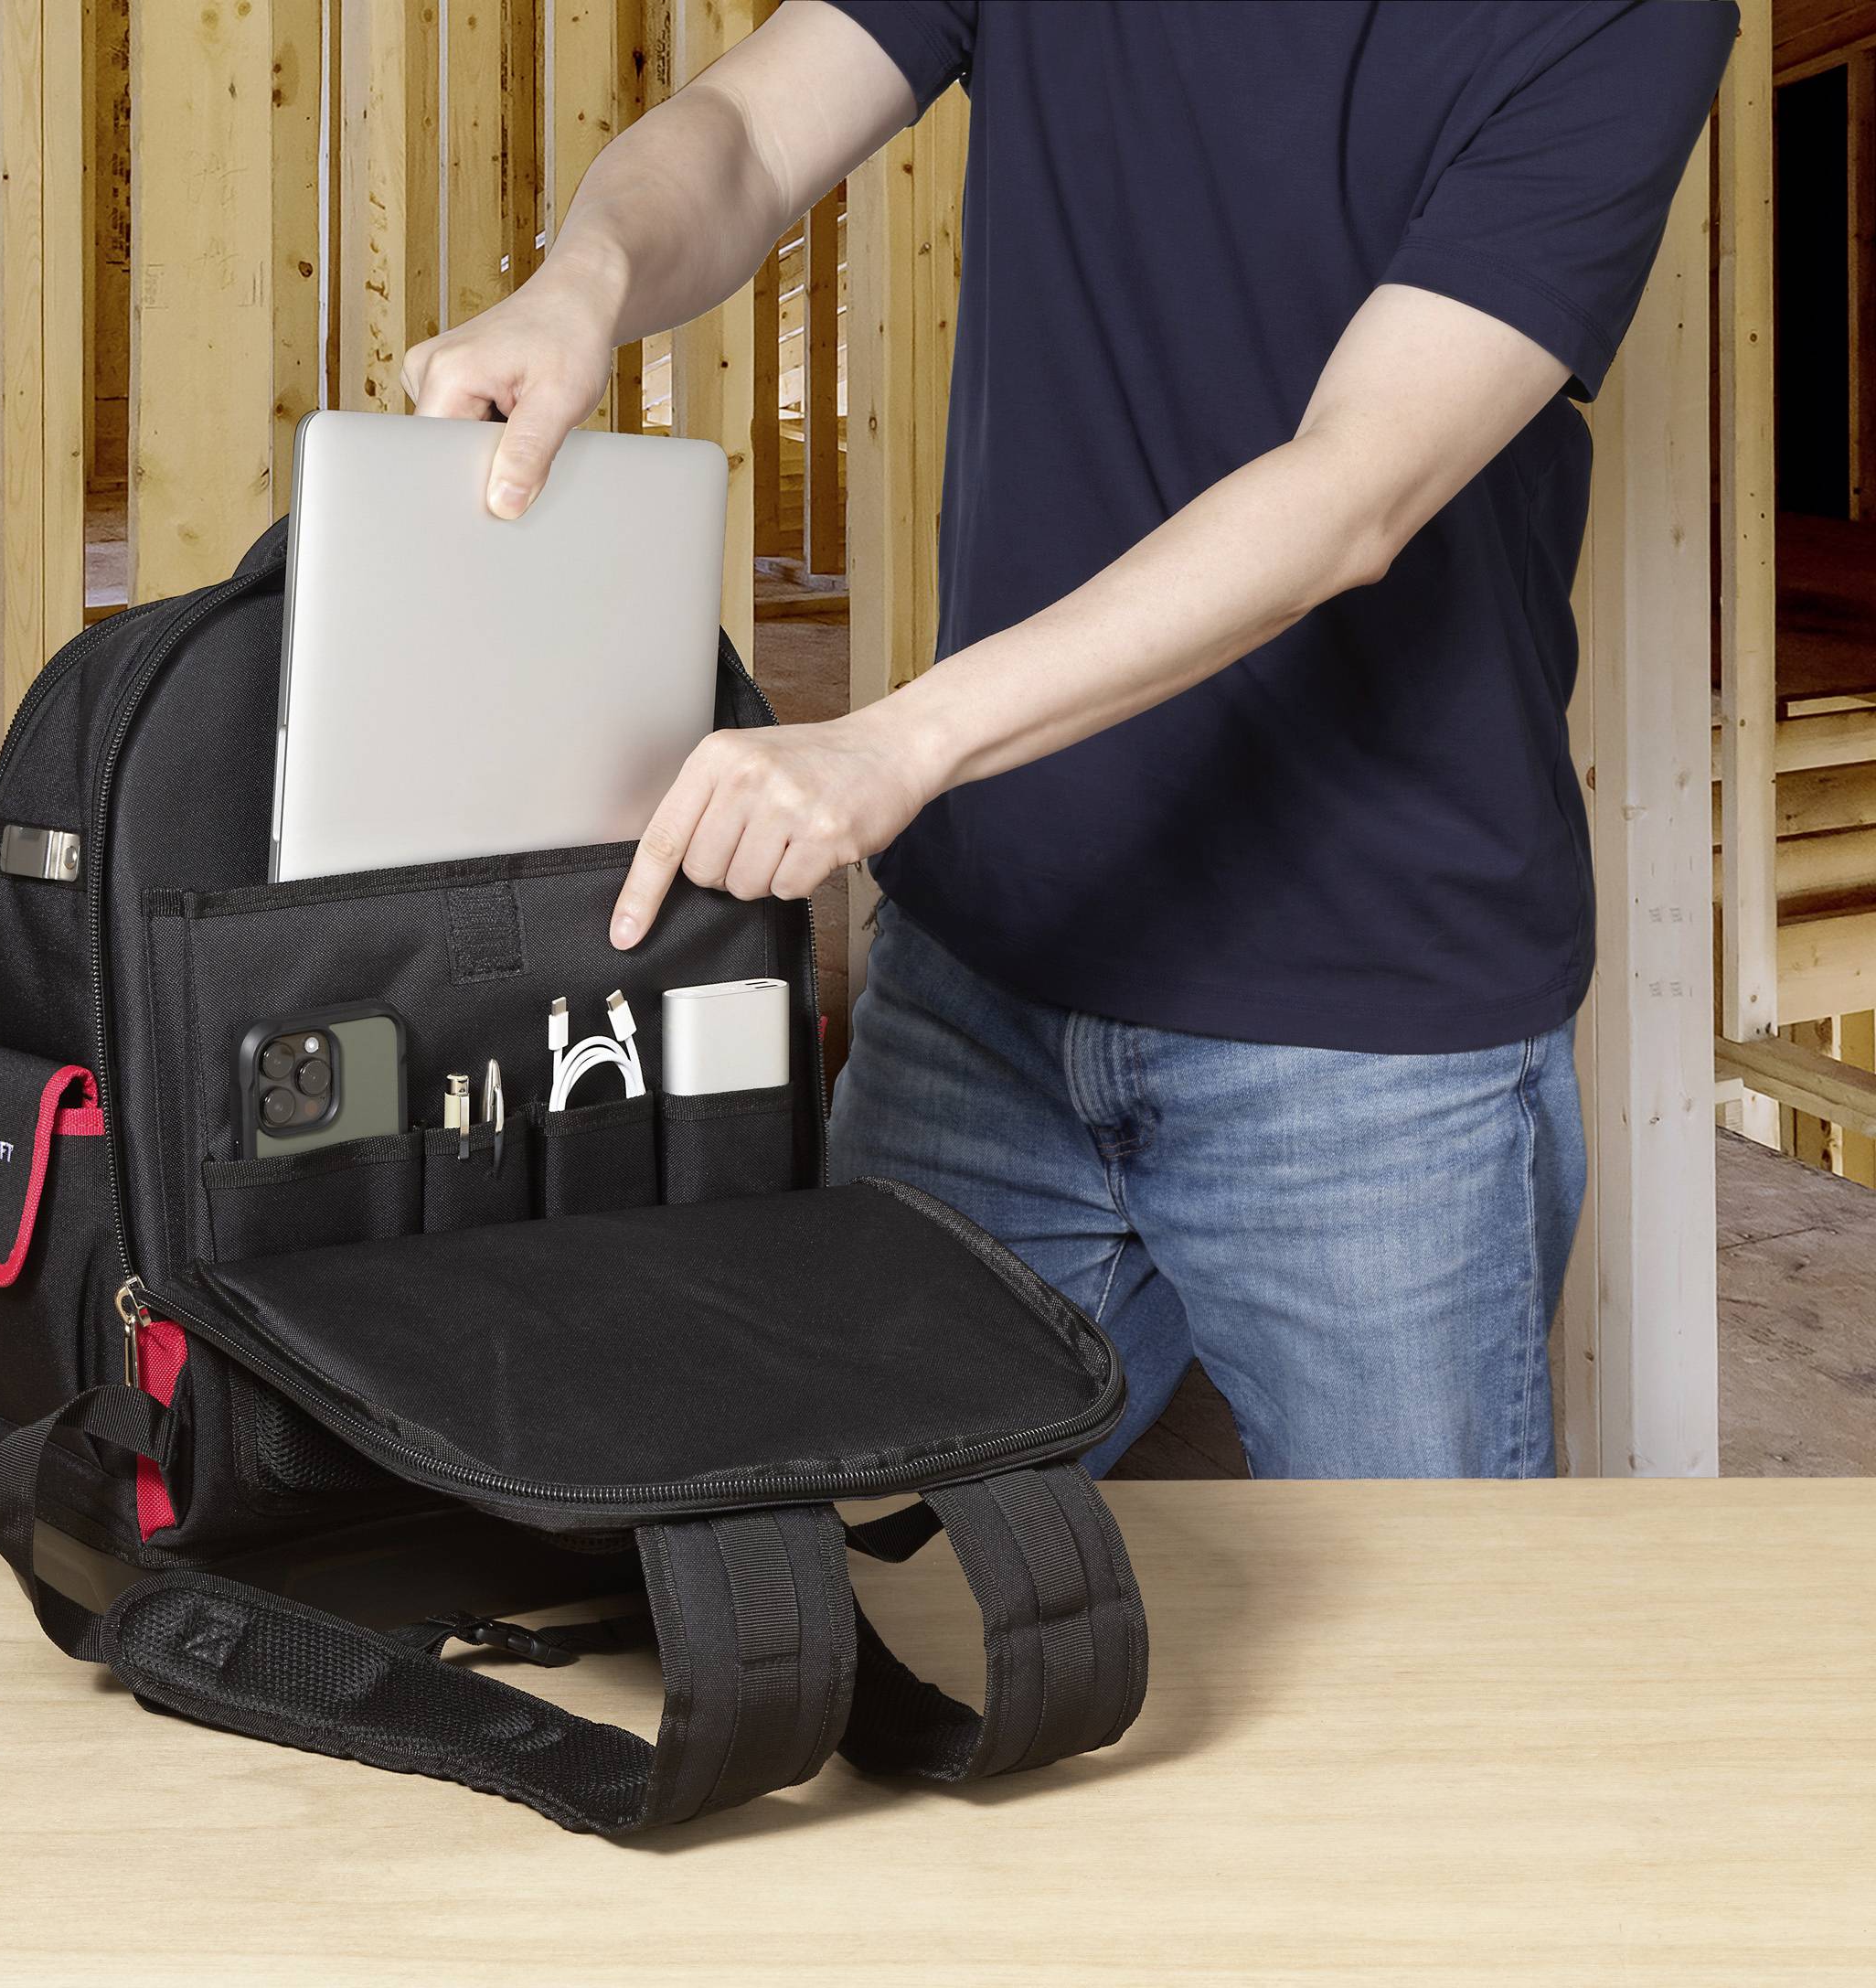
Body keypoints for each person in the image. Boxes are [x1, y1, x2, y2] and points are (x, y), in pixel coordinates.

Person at [400, 1, 1739, 1478]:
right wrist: (587, 276)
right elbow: (746, 135)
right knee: (857, 1617)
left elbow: (1353, 487)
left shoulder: (1626, 12)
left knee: (1422, 1683)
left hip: (1367, 1042)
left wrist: (899, 745)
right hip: (986, 985)